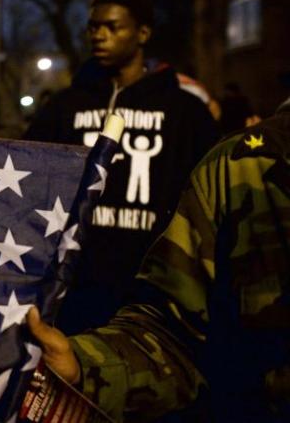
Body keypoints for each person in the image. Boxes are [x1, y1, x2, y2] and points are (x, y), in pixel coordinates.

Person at [28, 97, 290, 422]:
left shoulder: (186, 113)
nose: (101, 40)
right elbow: (176, 334)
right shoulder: (243, 165)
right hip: (92, 301)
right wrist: (84, 364)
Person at [25, 0, 218, 333]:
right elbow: (31, 174)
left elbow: (207, 191)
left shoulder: (182, 111)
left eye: (113, 27)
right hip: (77, 280)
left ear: (143, 33)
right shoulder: (65, 106)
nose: (99, 36)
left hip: (150, 282)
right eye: (94, 27)